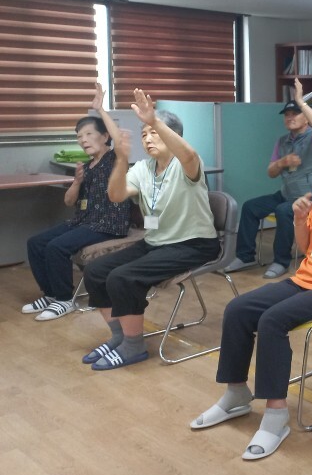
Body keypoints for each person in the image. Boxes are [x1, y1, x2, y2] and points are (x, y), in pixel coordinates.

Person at [191, 127, 312, 460]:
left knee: (272, 321)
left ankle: (275, 415)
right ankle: (236, 393)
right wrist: (300, 219)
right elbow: (307, 248)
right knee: (238, 309)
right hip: (308, 279)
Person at [80, 89, 220, 371]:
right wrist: (121, 159)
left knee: (123, 278)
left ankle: (134, 347)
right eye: (144, 134)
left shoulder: (186, 164)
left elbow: (189, 154)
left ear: (172, 135)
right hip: (155, 242)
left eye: (154, 133)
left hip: (193, 243)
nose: (147, 138)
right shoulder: (143, 168)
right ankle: (120, 336)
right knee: (95, 271)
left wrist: (153, 120)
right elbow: (116, 195)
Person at [23, 84, 130, 321]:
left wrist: (100, 109)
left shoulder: (114, 159)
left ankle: (64, 299)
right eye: (80, 136)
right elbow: (69, 201)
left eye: (89, 134)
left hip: (108, 224)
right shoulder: (87, 167)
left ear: (105, 137)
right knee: (35, 243)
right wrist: (77, 182)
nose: (83, 140)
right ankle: (50, 294)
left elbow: (120, 141)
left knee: (56, 247)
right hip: (83, 221)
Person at [224, 78, 312, 278]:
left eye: (295, 114)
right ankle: (245, 256)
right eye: (287, 115)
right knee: (250, 207)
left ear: (306, 117)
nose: (290, 118)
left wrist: (301, 102)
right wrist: (282, 162)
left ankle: (281, 261)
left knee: (283, 211)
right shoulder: (282, 141)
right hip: (286, 195)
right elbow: (271, 172)